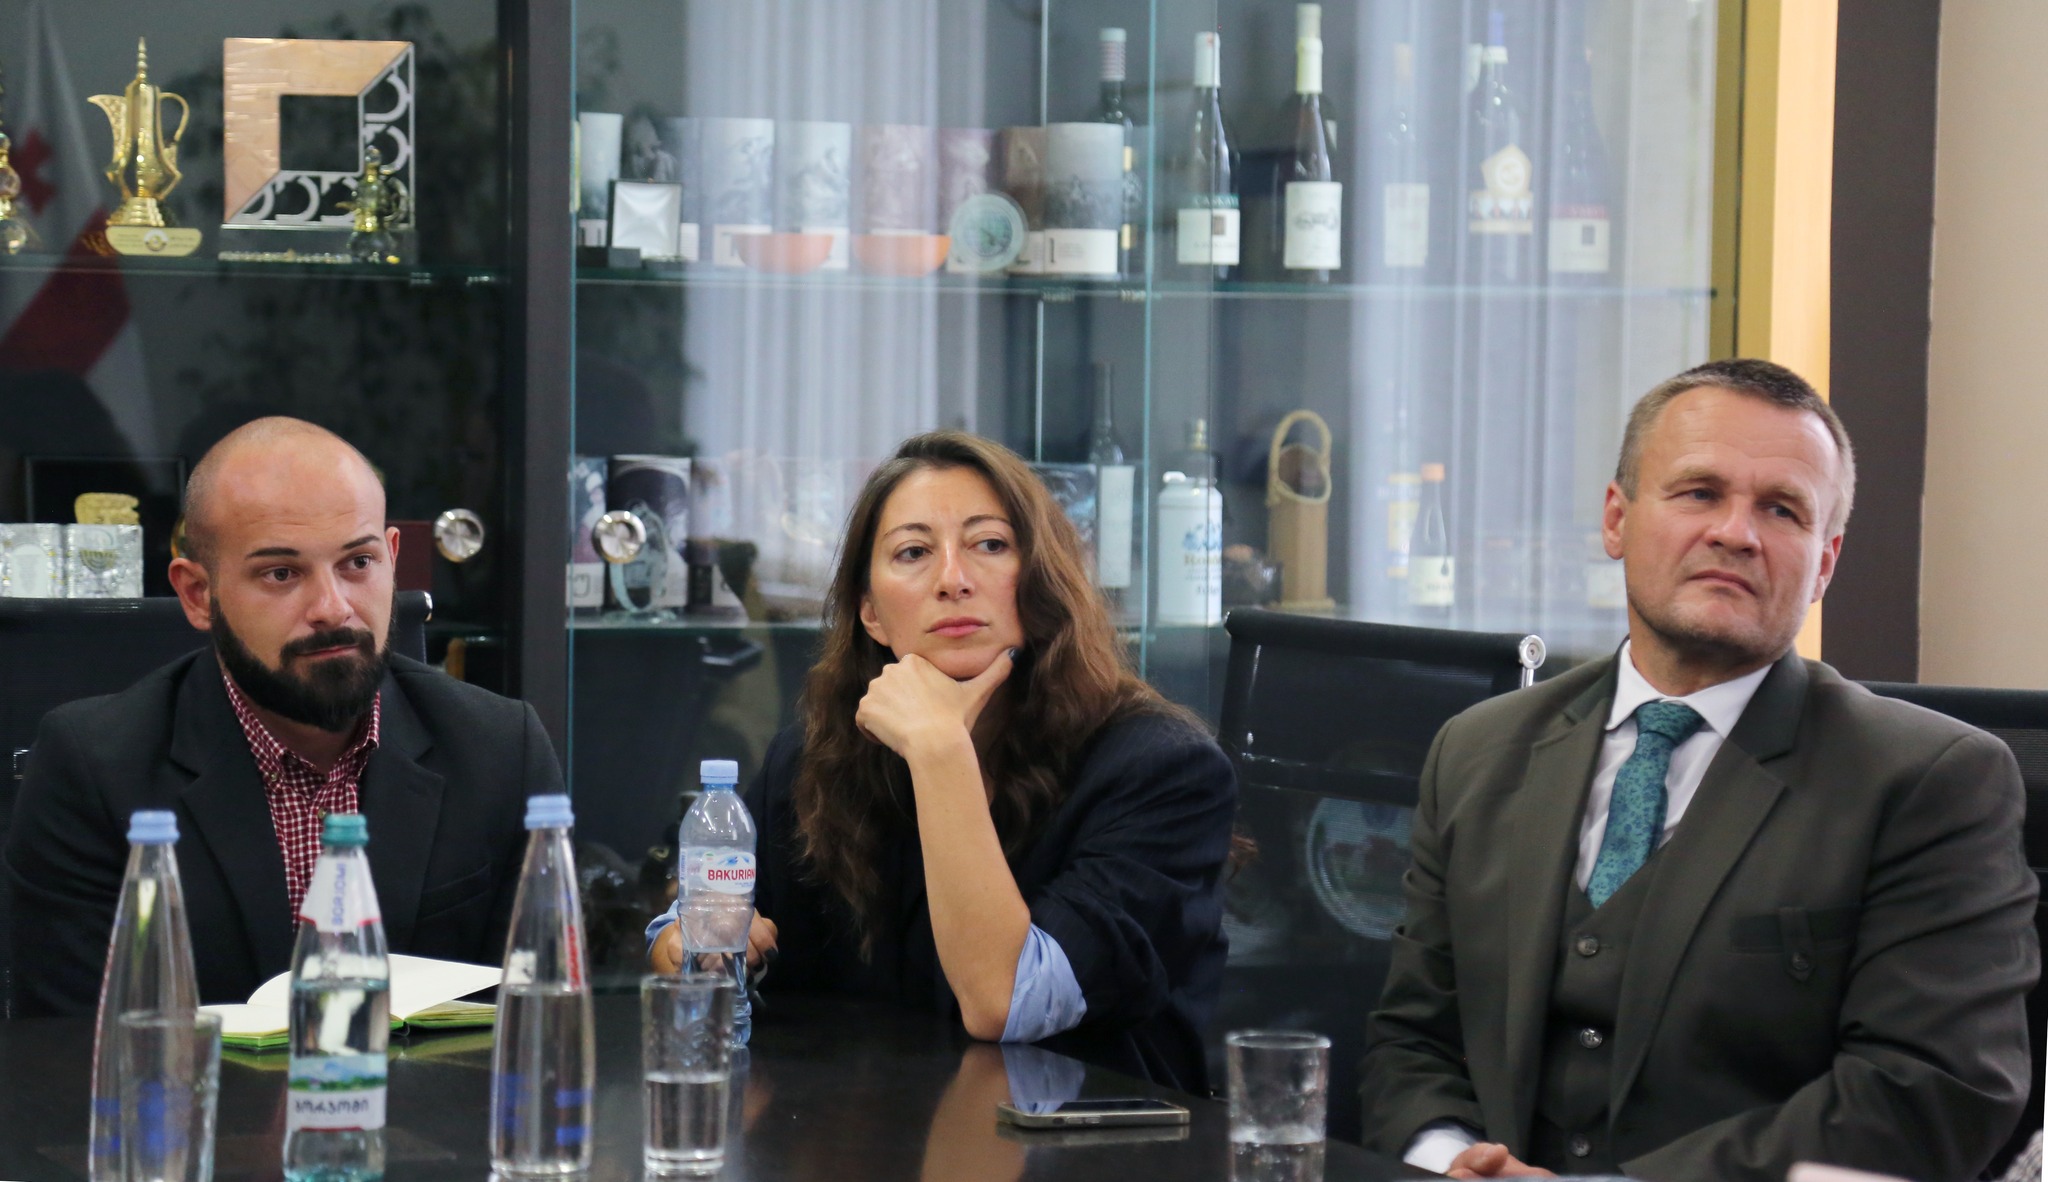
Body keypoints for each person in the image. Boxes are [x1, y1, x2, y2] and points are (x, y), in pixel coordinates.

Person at [1359, 359, 2038, 1181]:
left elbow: (1926, 1092)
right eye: (1699, 493)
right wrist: (1448, 1159)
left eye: (1781, 509)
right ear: (1617, 520)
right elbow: (1412, 1038)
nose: (1736, 533)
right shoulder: (1476, 750)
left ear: (1824, 563)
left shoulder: (1930, 783)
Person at [647, 431, 1237, 1090]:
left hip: (1074, 1136)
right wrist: (692, 942)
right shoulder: (819, 756)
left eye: (990, 545)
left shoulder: (1163, 770)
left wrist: (939, 750)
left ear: (1042, 582)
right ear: (871, 613)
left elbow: (1003, 1000)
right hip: (862, 1125)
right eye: (913, 552)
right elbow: (699, 911)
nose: (954, 580)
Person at [5, 417, 562, 1014]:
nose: (332, 608)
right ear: (198, 594)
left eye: (358, 562)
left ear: (393, 558)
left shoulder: (501, 749)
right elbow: (72, 1047)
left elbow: (534, 1020)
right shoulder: (93, 770)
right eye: (281, 573)